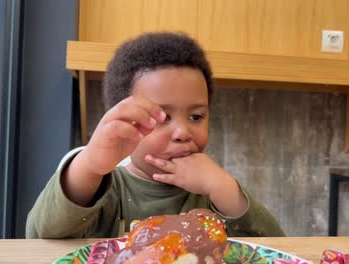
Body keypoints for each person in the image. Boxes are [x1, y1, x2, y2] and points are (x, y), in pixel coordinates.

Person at [26, 32, 285, 238]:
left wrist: (224, 188)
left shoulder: (212, 193)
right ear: (123, 120)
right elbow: (42, 234)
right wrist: (90, 166)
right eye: (161, 118)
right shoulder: (106, 190)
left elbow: (276, 248)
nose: (183, 132)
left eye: (196, 117)